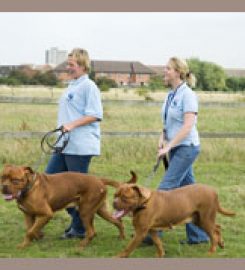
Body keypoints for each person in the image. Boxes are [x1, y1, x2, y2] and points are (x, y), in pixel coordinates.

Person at [144, 57, 209, 245]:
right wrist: (162, 139)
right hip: (175, 147)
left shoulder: (187, 95)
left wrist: (170, 146)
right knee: (190, 191)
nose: (164, 71)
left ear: (178, 72)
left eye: (168, 69)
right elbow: (168, 123)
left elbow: (188, 125)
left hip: (187, 148)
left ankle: (151, 234)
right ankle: (199, 236)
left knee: (165, 190)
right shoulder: (171, 94)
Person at [45, 48, 103, 239]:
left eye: (71, 64)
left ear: (82, 65)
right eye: (68, 64)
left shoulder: (89, 86)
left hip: (80, 146)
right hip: (64, 144)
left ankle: (79, 229)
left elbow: (95, 114)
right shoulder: (72, 85)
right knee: (48, 180)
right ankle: (81, 221)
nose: (68, 67)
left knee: (77, 190)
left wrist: (71, 125)